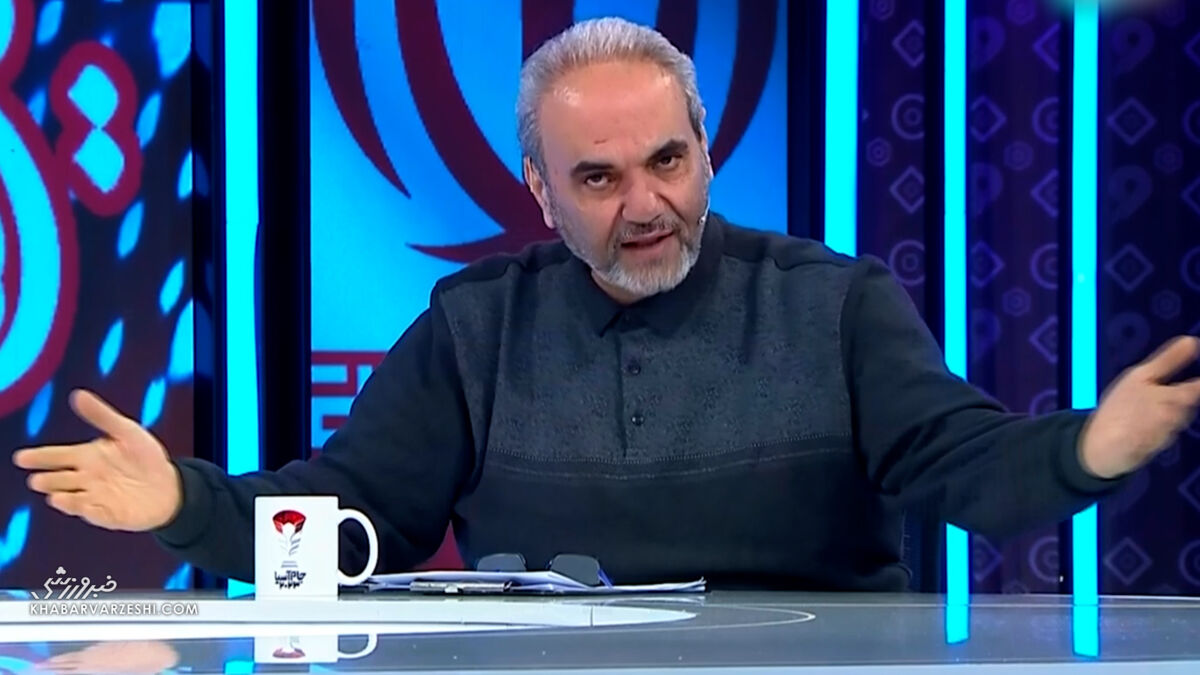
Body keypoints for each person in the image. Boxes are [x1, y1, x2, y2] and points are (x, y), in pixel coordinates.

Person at [11, 17, 1200, 591]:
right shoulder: (476, 327)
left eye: (668, 162)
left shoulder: (835, 304)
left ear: (707, 151)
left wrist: (1088, 448)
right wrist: (187, 507)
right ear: (538, 191)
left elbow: (966, 468)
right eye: (598, 178)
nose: (646, 205)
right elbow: (353, 522)